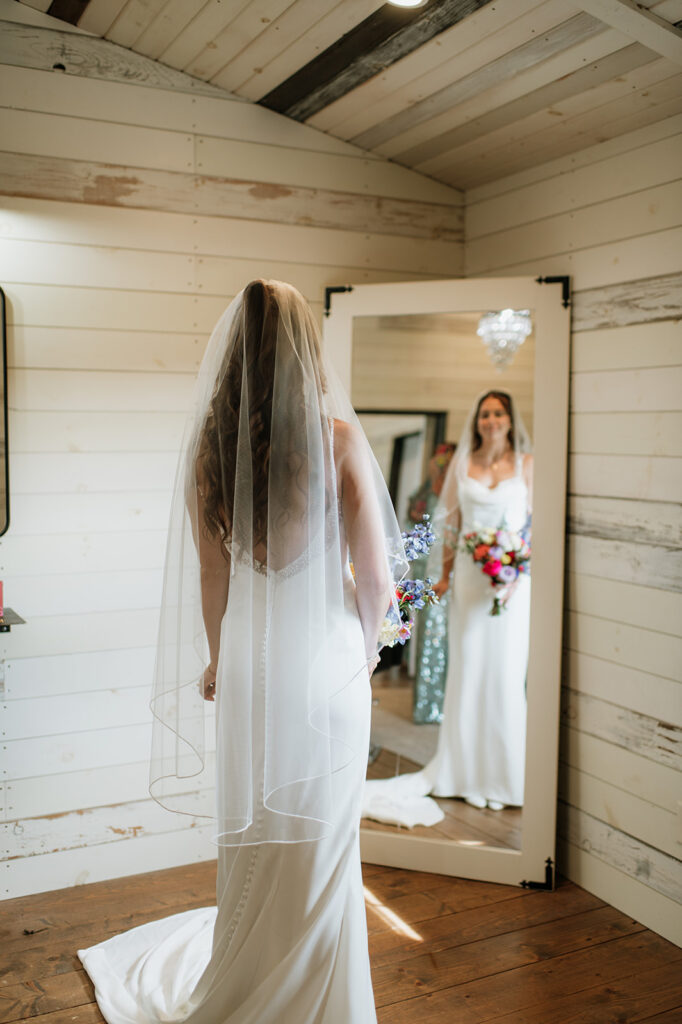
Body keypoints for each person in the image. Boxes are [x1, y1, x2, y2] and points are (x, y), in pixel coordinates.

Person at [78, 280, 407, 1023]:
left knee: (256, 831)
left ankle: (249, 971)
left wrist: (222, 661)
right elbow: (377, 581)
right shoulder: (339, 440)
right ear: (304, 349)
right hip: (327, 668)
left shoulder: (210, 450)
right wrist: (363, 648)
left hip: (253, 674)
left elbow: (212, 573)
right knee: (325, 840)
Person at [363, 389, 532, 827]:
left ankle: (505, 778)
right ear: (477, 421)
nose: (491, 420)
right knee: (470, 671)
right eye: (485, 414)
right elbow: (452, 525)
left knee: (506, 676)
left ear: (510, 420)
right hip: (472, 584)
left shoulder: (527, 466)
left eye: (498, 413)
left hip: (512, 587)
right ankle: (462, 773)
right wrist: (446, 576)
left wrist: (518, 570)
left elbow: (535, 526)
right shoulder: (464, 464)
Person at [407, 443, 455, 724]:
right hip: (428, 569)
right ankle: (428, 705)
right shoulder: (424, 493)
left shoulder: (458, 490)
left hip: (450, 568)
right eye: (439, 462)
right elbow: (412, 522)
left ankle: (448, 702)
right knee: (431, 634)